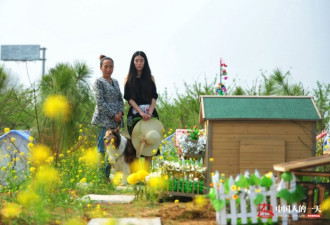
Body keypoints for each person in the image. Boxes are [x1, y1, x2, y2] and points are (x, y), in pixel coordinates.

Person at [91, 55, 124, 181]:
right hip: (102, 120)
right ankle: (101, 179)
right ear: (101, 68)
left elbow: (120, 99)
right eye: (106, 67)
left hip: (115, 122)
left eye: (111, 67)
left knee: (113, 150)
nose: (108, 69)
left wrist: (120, 112)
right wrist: (113, 114)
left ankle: (107, 177)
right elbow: (100, 102)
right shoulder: (98, 82)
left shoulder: (115, 82)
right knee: (102, 149)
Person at [124, 51, 159, 138]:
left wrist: (150, 113)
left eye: (141, 61)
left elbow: (154, 96)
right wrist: (140, 112)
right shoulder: (128, 78)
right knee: (136, 141)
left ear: (145, 62)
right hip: (135, 113)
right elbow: (128, 98)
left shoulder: (150, 78)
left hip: (150, 113)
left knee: (152, 140)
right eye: (136, 61)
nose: (139, 63)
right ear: (133, 62)